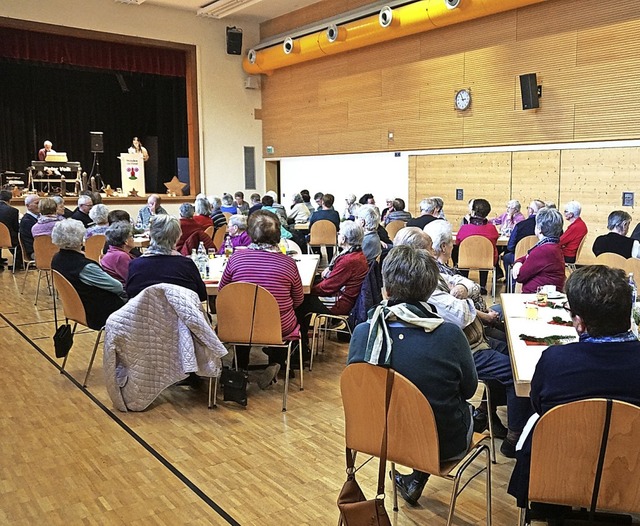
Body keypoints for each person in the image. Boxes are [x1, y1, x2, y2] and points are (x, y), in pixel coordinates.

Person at [348, 245, 478, 506]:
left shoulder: (364, 332)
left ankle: (413, 479)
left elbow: (358, 393)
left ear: (385, 288)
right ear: (431, 290)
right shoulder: (449, 335)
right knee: (461, 408)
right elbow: (470, 390)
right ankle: (416, 477)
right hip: (439, 446)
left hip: (377, 436)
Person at [507, 265, 640, 514]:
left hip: (557, 472)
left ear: (579, 323)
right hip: (632, 479)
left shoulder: (555, 361)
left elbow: (538, 406)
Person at [395, 227, 528, 458]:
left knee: (513, 354)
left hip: (473, 339)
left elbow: (468, 284)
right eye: (429, 249)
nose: (434, 252)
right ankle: (513, 438)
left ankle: (485, 415)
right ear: (416, 255)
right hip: (464, 348)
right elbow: (460, 315)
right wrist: (468, 302)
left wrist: (463, 289)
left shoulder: (430, 274)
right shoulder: (420, 286)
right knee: (515, 373)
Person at [218, 210, 304, 387]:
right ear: (278, 235)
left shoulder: (236, 259)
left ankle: (241, 368)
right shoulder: (288, 263)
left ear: (250, 233)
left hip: (240, 325)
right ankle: (276, 362)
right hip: (277, 326)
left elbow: (223, 292)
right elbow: (298, 299)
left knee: (244, 316)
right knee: (281, 316)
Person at [296, 221, 369, 358]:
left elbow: (327, 288)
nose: (338, 235)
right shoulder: (356, 255)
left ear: (344, 238)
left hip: (340, 302)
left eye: (340, 233)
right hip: (343, 296)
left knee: (301, 301)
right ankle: (300, 346)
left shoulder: (349, 260)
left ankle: (300, 349)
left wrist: (306, 289)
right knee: (304, 296)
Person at [51, 219, 126, 330]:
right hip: (99, 313)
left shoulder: (56, 259)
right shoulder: (84, 267)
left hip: (75, 309)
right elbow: (117, 287)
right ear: (80, 240)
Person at [126, 215, 207, 301]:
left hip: (145, 313)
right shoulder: (186, 265)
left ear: (150, 235)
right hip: (180, 314)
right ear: (177, 237)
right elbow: (202, 296)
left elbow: (130, 295)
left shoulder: (135, 265)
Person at [512, 207, 566, 293]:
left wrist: (518, 263)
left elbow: (520, 276)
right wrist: (518, 262)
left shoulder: (543, 250)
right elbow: (527, 256)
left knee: (494, 307)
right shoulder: (553, 245)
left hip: (535, 298)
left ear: (539, 229)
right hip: (544, 296)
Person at [456, 198, 499, 293]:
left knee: (460, 252)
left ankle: (464, 283)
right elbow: (495, 241)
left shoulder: (465, 228)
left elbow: (458, 242)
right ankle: (482, 286)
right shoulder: (492, 229)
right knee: (485, 253)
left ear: (473, 210)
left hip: (465, 260)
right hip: (487, 260)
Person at [502, 200, 546, 280]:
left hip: (520, 257)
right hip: (542, 258)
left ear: (531, 211)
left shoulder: (520, 225)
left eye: (528, 208)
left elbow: (510, 247)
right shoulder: (548, 226)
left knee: (506, 257)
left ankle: (511, 284)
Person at [100, 221, 137, 285]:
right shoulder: (120, 256)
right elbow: (132, 278)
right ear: (126, 241)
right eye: (131, 236)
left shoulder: (113, 252)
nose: (133, 239)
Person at [308, 193, 340, 261]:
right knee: (330, 238)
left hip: (316, 239)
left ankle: (318, 257)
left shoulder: (315, 214)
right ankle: (330, 261)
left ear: (322, 202)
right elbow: (337, 227)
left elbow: (310, 228)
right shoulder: (335, 214)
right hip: (331, 239)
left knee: (310, 237)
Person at [0, 189, 20, 270]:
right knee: (18, 237)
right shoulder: (13, 211)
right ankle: (18, 263)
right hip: (8, 238)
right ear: (10, 200)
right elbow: (16, 227)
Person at [19, 194, 40, 261]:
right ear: (28, 206)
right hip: (34, 252)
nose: (40, 205)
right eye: (37, 203)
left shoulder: (40, 217)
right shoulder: (27, 221)